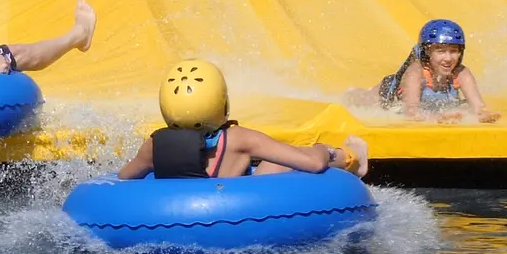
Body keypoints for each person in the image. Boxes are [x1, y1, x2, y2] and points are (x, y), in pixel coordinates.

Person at [118, 60, 368, 180]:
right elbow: (312, 164)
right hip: (234, 218)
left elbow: (123, 179)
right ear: (222, 103)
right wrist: (322, 149)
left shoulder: (154, 146)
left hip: (175, 223)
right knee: (282, 162)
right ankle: (353, 158)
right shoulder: (239, 138)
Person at [358, 19, 500, 123]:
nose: (448, 58)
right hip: (385, 93)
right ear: (427, 52)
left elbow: (478, 106)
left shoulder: (461, 73)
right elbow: (411, 112)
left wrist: (482, 115)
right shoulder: (416, 73)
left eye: (453, 51)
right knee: (358, 100)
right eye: (441, 51)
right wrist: (436, 118)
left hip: (420, 104)